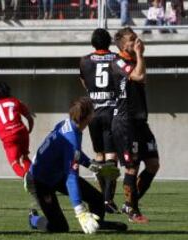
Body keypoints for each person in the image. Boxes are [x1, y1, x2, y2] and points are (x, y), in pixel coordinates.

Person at [24, 97, 125, 233]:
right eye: (92, 111)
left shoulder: (68, 124)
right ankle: (33, 220)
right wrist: (80, 211)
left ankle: (98, 224)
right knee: (60, 228)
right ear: (88, 116)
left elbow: (73, 153)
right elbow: (71, 177)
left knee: (96, 198)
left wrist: (92, 166)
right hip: (40, 181)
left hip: (56, 175)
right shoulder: (72, 138)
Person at [112, 27, 160, 223]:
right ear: (123, 45)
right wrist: (140, 54)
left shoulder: (135, 60)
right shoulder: (118, 61)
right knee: (132, 166)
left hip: (140, 121)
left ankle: (129, 203)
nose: (136, 41)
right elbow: (139, 76)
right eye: (132, 39)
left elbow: (142, 77)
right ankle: (133, 211)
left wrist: (140, 56)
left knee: (153, 164)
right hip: (125, 122)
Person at [79, 28, 120, 214]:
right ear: (109, 42)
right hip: (112, 111)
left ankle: (102, 197)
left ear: (92, 43)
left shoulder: (85, 60)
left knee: (99, 156)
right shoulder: (117, 59)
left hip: (93, 113)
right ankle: (108, 199)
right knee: (112, 156)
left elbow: (84, 82)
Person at [0, 81, 34, 178]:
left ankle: (28, 179)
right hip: (22, 131)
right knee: (24, 157)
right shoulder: (16, 101)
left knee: (14, 162)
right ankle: (35, 177)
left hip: (8, 136)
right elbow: (30, 118)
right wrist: (29, 130)